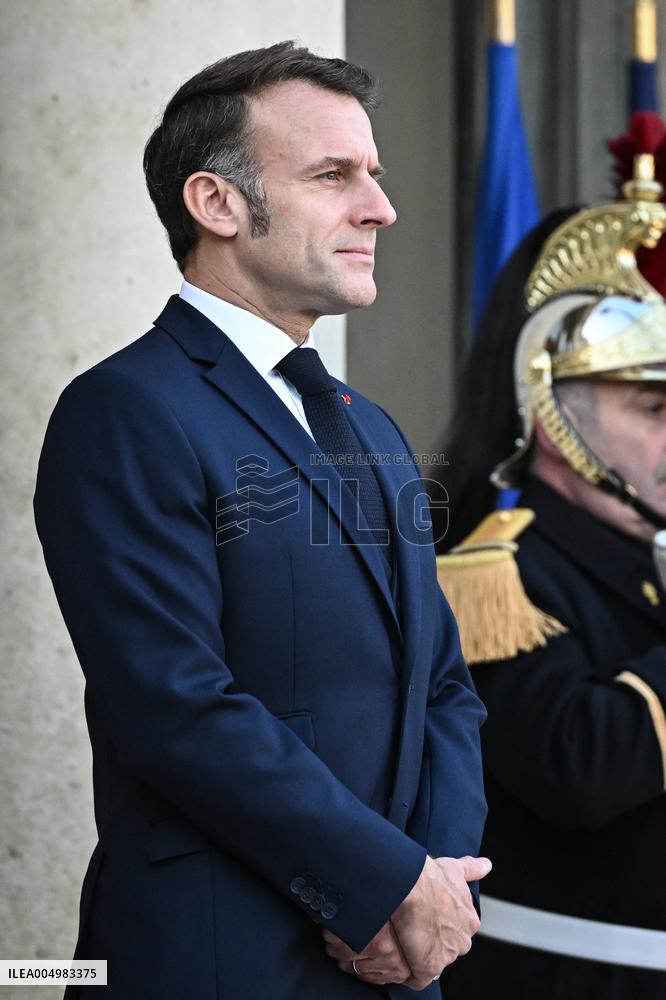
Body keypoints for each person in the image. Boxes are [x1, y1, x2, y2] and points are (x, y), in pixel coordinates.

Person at [33, 42, 489, 999]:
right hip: (217, 961)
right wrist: (379, 885)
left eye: (375, 174)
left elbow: (442, 685)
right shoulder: (126, 409)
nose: (381, 207)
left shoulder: (372, 426)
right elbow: (177, 710)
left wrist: (432, 887)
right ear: (218, 204)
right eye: (334, 175)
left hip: (401, 963)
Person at [435, 143, 666, 998]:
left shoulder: (646, 555)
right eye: (653, 407)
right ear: (553, 410)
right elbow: (578, 768)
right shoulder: (496, 573)